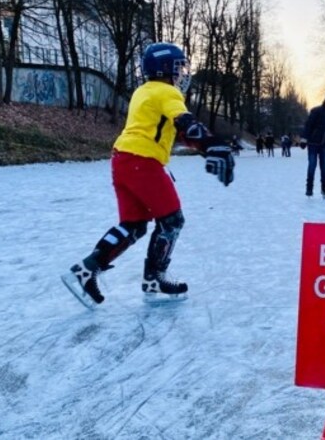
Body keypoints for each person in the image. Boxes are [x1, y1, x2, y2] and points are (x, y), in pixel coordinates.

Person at [61, 42, 235, 307]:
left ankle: (86, 270)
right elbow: (183, 122)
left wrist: (205, 147)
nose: (181, 75)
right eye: (178, 68)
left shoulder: (143, 92)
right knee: (172, 221)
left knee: (134, 224)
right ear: (165, 68)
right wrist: (213, 144)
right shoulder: (167, 92)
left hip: (122, 160)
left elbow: (174, 132)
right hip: (143, 162)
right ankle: (154, 277)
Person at [300, 90, 325, 198]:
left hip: (324, 145)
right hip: (313, 144)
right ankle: (309, 188)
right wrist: (304, 139)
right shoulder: (317, 111)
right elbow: (308, 125)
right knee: (312, 165)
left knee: (324, 167)